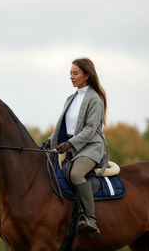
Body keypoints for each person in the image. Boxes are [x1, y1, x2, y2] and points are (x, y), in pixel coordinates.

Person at [41, 57, 107, 238]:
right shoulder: (71, 98)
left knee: (76, 173)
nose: (71, 77)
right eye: (70, 73)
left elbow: (89, 130)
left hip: (90, 146)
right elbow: (63, 127)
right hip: (71, 146)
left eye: (75, 73)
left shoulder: (95, 99)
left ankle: (91, 219)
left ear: (86, 75)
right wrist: (49, 141)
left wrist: (70, 143)